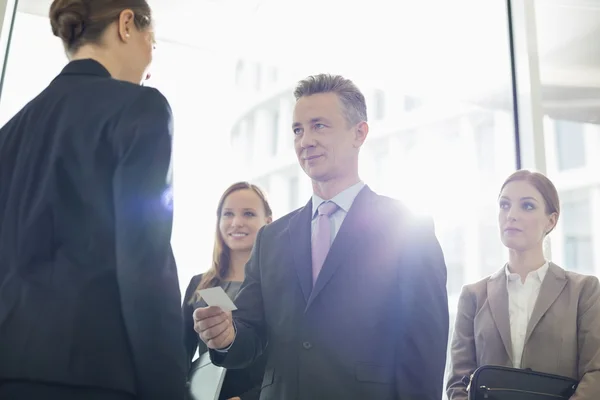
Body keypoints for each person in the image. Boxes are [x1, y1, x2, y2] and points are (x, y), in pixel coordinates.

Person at [193, 74, 449, 400]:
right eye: (298, 130)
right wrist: (226, 336)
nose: (305, 140)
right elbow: (249, 333)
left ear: (359, 133)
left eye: (319, 126)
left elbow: (423, 350)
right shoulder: (271, 239)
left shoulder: (408, 228)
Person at [0, 0, 186, 399]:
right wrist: (171, 387)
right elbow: (144, 259)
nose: (151, 58)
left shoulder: (9, 132)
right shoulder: (141, 106)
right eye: (151, 40)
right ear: (125, 25)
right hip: (95, 374)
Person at [446, 170, 600, 400]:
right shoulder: (474, 296)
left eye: (527, 206)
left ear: (551, 220)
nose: (511, 215)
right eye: (504, 205)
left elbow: (595, 372)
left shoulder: (583, 291)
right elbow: (458, 382)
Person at [183, 182, 272, 400]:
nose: (236, 223)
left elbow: (286, 360)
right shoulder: (199, 284)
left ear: (268, 222)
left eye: (249, 214)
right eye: (228, 214)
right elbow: (179, 354)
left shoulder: (278, 286)